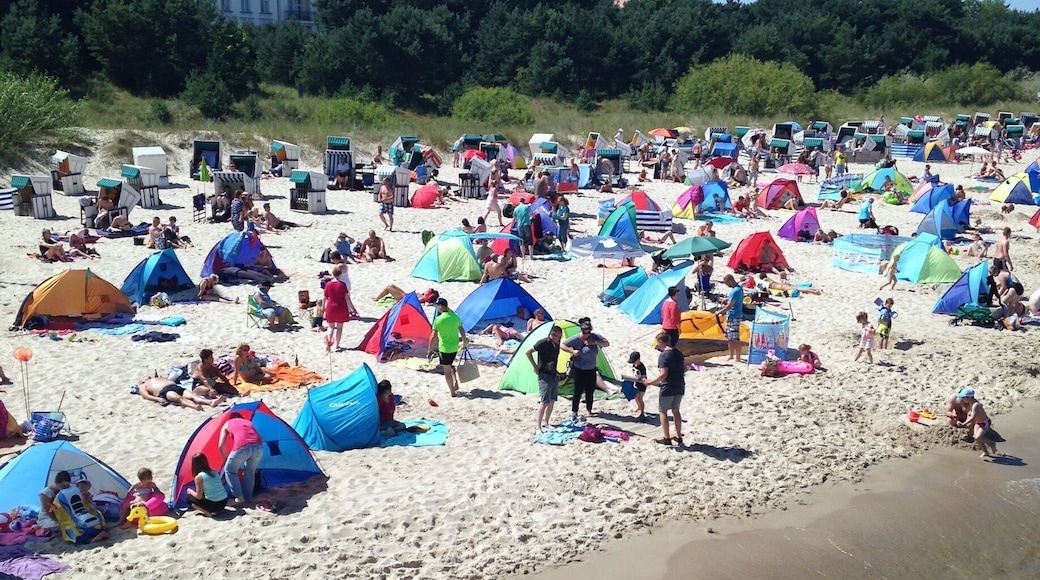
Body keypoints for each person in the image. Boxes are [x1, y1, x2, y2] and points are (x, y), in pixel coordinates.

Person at [561, 318, 610, 420]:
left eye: (588, 332)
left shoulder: (594, 337)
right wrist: (572, 351)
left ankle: (589, 410)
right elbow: (562, 345)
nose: (586, 334)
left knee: (590, 390)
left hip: (591, 369)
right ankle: (574, 412)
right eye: (584, 332)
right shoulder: (576, 338)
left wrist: (594, 342)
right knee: (578, 391)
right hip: (580, 370)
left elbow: (606, 343)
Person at [644, 332, 686, 446]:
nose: (658, 345)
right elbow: (685, 368)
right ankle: (678, 436)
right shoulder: (678, 352)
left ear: (662, 342)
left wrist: (650, 382)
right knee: (676, 411)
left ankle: (667, 438)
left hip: (668, 387)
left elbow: (663, 374)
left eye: (658, 343)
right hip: (680, 385)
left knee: (663, 411)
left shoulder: (663, 356)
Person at [220, 412, 263, 507]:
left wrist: (225, 459)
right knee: (250, 473)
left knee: (230, 471)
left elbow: (221, 445)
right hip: (258, 447)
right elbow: (258, 437)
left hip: (242, 447)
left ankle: (239, 497)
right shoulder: (248, 422)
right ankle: (248, 498)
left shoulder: (227, 424)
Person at [527, 324, 563, 434]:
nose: (558, 338)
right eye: (557, 336)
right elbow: (528, 352)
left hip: (553, 374)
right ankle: (538, 427)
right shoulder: (543, 343)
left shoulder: (557, 344)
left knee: (552, 400)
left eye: (560, 337)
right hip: (544, 375)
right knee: (544, 402)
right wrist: (535, 367)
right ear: (552, 334)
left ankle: (546, 422)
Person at [429, 298, 467, 397]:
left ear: (441, 306)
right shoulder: (455, 316)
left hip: (444, 349)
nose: (437, 308)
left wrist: (430, 348)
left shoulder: (438, 319)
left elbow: (433, 336)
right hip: (455, 347)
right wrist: (464, 341)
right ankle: (455, 380)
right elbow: (461, 330)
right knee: (450, 364)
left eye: (437, 306)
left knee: (447, 371)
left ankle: (452, 392)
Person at [954, 389, 999, 458]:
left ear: (969, 398)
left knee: (978, 437)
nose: (962, 399)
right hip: (978, 422)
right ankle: (985, 452)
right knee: (976, 438)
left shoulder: (976, 405)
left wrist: (964, 423)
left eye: (963, 397)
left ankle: (991, 443)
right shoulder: (970, 403)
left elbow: (973, 417)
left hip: (984, 423)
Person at [138, 376, 223, 410]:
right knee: (179, 398)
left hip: (175, 386)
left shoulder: (156, 378)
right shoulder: (143, 385)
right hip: (164, 391)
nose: (147, 376)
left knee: (192, 396)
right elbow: (146, 396)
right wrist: (158, 399)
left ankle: (210, 402)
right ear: (142, 381)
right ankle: (194, 406)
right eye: (144, 377)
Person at [323, 264, 351, 352]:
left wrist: (323, 307)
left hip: (330, 307)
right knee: (339, 327)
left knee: (330, 327)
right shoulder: (342, 284)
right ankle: (337, 345)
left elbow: (325, 297)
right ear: (340, 274)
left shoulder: (328, 284)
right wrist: (352, 308)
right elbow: (347, 298)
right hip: (341, 308)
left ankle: (328, 345)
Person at [719, 275, 744, 363]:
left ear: (730, 281)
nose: (727, 285)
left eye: (727, 283)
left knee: (735, 338)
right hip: (731, 316)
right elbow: (732, 300)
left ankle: (738, 357)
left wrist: (720, 312)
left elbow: (729, 305)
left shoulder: (736, 290)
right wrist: (726, 299)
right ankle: (731, 355)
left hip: (735, 316)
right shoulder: (737, 289)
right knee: (729, 337)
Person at [628, 351, 648, 422]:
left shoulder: (642, 367)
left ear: (638, 359)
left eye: (634, 361)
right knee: (636, 396)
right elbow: (634, 372)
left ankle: (642, 412)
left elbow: (644, 376)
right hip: (637, 383)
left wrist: (640, 378)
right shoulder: (634, 365)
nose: (633, 363)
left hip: (642, 385)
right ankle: (639, 407)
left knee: (640, 398)